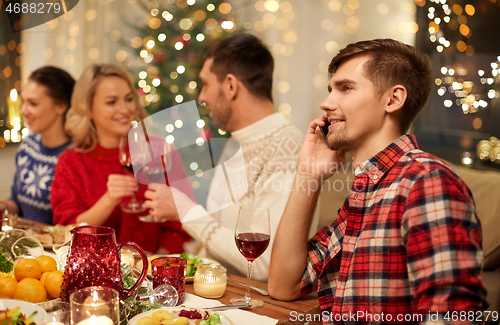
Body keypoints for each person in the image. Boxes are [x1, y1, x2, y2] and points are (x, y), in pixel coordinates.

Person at [268, 39, 488, 322]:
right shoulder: (367, 189)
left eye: (346, 88)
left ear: (393, 99)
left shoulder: (424, 181)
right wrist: (308, 175)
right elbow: (284, 285)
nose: (325, 103)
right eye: (330, 89)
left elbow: (454, 317)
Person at [145, 34, 305, 281]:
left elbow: (263, 264)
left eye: (206, 84)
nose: (201, 97)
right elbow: (221, 238)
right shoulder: (234, 143)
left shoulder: (286, 148)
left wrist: (187, 212)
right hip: (221, 291)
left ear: (230, 85)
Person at [50, 64, 194, 254]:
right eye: (111, 102)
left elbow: (182, 221)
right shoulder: (71, 162)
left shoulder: (160, 151)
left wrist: (155, 265)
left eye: (128, 99)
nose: (125, 109)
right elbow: (66, 231)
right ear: (88, 108)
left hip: (152, 273)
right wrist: (109, 200)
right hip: (92, 272)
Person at [0, 66, 74, 224]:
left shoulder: (75, 158)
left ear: (61, 106)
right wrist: (2, 207)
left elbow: (71, 224)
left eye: (33, 103)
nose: (23, 110)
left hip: (54, 247)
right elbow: (16, 202)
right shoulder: (28, 146)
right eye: (23, 102)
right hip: (26, 243)